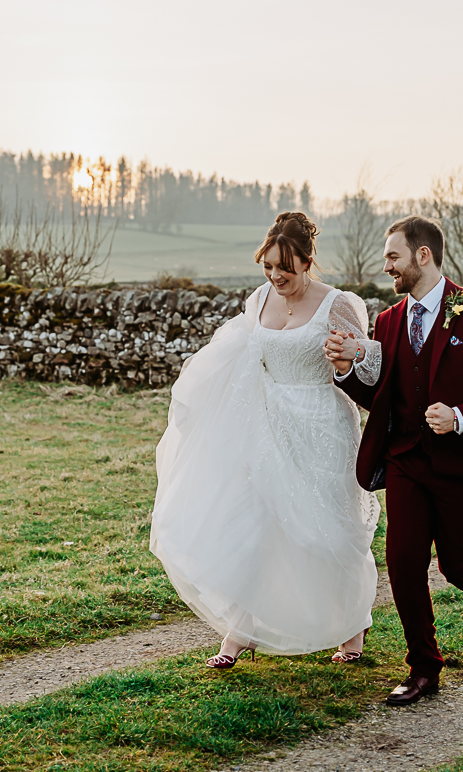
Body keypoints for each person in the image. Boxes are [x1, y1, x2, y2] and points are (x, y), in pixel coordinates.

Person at [150, 212, 379, 668]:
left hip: (323, 427)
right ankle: (239, 632)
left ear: (307, 262)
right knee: (257, 525)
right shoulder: (257, 300)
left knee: (332, 531)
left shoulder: (338, 304)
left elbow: (370, 369)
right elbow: (238, 359)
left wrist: (348, 359)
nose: (275, 277)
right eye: (268, 266)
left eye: (285, 269)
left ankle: (352, 628)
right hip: (267, 428)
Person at [325, 215, 463, 706]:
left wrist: (461, 416)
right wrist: (347, 371)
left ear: (423, 255)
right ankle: (423, 667)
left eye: (393, 256)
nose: (386, 267)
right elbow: (385, 400)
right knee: (402, 563)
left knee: (459, 565)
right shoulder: (387, 322)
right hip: (406, 460)